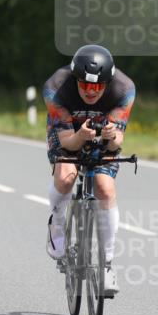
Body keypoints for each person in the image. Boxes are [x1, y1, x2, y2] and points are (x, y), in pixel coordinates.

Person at [43, 44, 134, 296]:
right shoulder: (56, 86)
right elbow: (67, 142)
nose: (90, 91)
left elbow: (117, 142)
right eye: (84, 85)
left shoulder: (124, 89)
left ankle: (106, 266)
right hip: (68, 133)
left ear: (108, 82)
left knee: (105, 188)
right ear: (75, 79)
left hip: (103, 136)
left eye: (97, 86)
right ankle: (57, 226)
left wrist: (110, 135)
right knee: (66, 177)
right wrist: (81, 136)